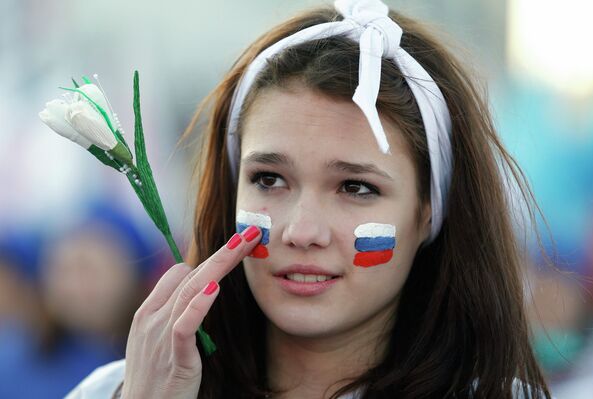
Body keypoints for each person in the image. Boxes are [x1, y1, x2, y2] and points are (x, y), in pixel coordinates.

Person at [66, 0, 552, 397]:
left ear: (427, 213)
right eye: (270, 179)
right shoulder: (114, 391)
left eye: (355, 188)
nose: (302, 231)